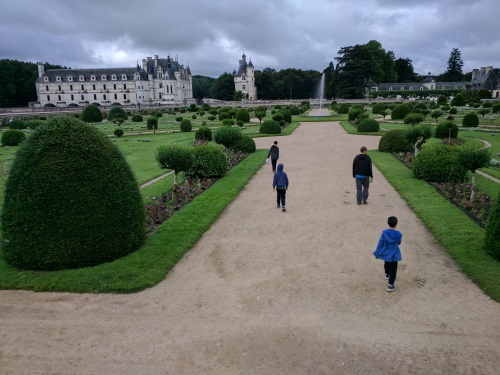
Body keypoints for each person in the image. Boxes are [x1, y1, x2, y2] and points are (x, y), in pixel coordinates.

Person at [373, 216, 403, 292]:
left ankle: (387, 273)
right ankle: (391, 285)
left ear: (388, 223)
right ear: (396, 224)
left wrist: (377, 253)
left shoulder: (384, 233)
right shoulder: (398, 234)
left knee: (386, 263)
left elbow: (380, 243)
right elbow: (399, 243)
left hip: (386, 252)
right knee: (394, 268)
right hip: (394, 253)